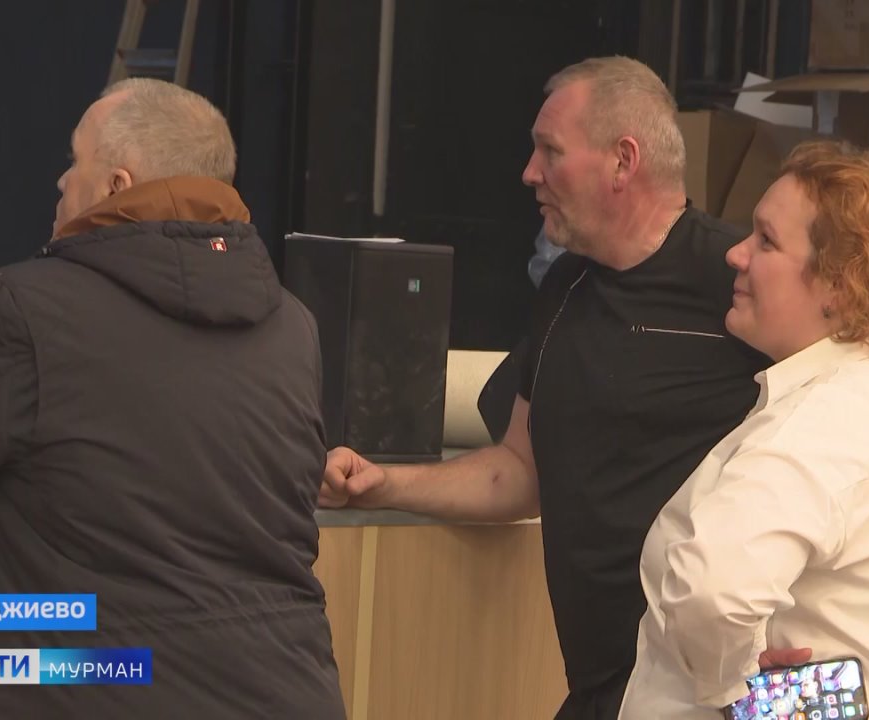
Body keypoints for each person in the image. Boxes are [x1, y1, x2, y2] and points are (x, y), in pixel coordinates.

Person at [0, 79, 345, 720]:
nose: (60, 180)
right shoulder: (294, 326)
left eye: (74, 160)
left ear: (115, 185)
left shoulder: (26, 311)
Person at [321, 56, 768, 718]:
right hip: (605, 690)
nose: (529, 172)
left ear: (623, 160)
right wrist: (381, 484)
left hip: (712, 692)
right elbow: (518, 470)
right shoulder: (565, 287)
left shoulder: (736, 283)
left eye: (550, 151)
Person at [619, 141, 869, 719]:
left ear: (840, 285)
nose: (736, 254)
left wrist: (731, 685)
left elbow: (710, 592)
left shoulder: (823, 424)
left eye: (766, 241)